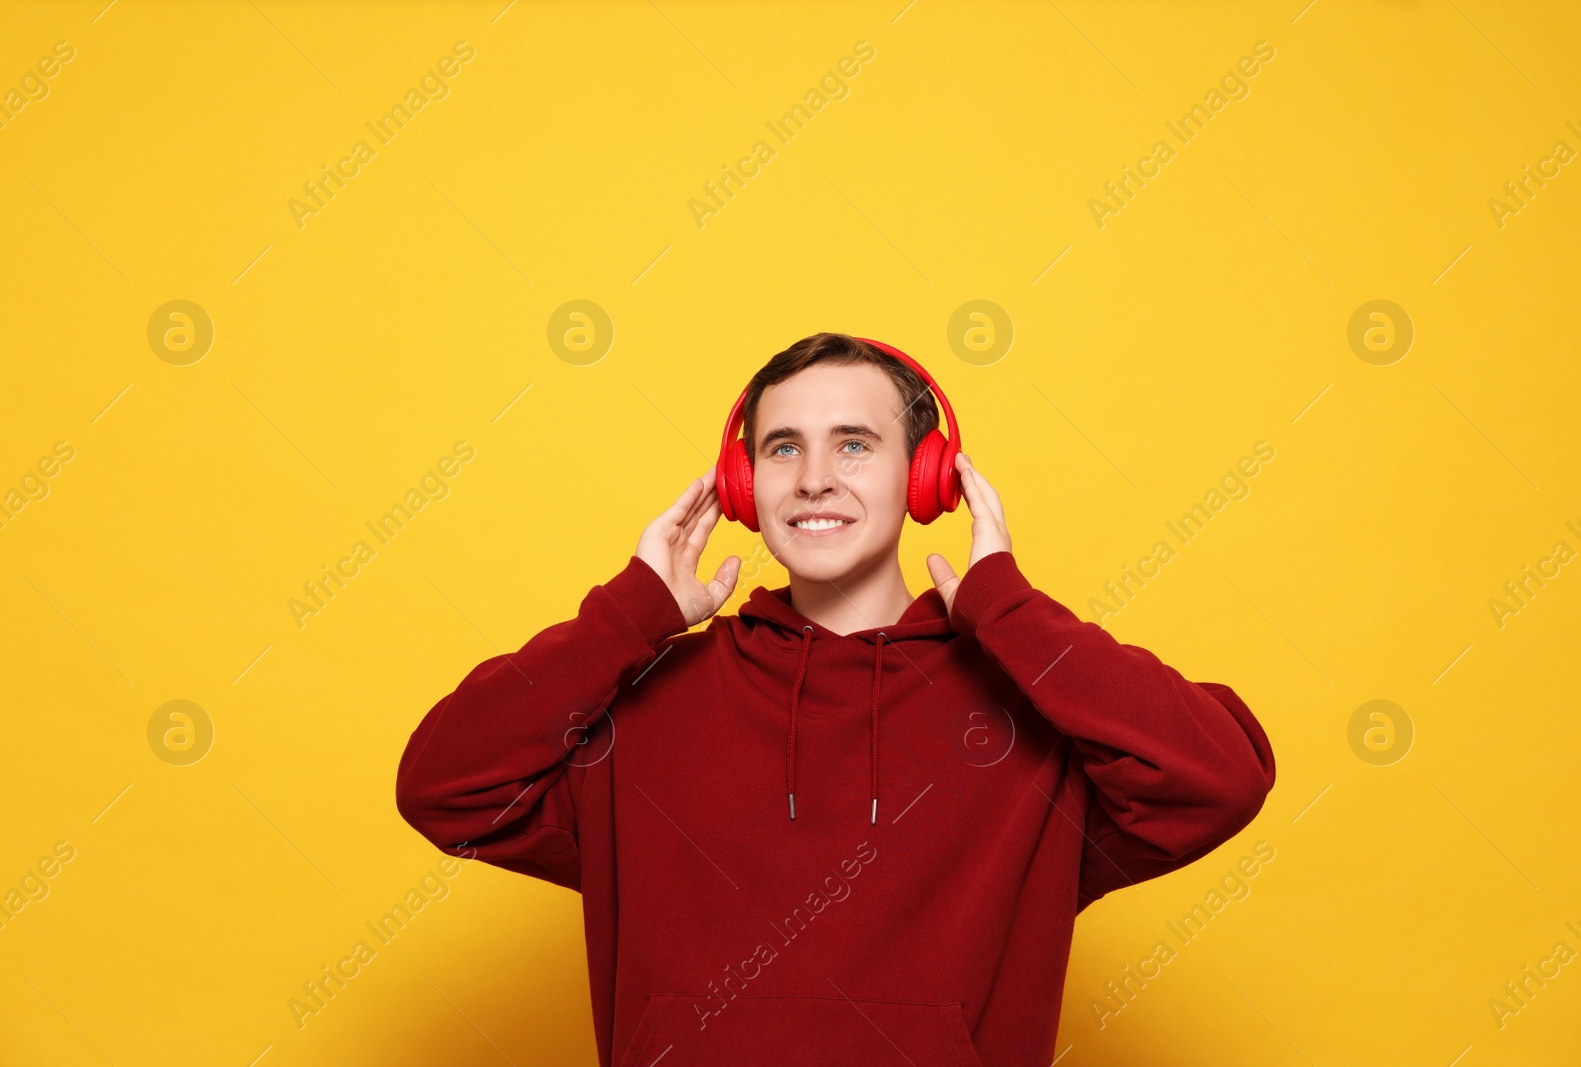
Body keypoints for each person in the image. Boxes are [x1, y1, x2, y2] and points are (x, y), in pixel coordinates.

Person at [394, 332, 1276, 1066]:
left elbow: (1221, 777)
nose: (814, 478)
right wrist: (632, 613)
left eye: (855, 442)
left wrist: (1009, 610)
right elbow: (445, 785)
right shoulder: (646, 706)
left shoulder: (1028, 726)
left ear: (926, 477)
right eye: (784, 448)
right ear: (744, 488)